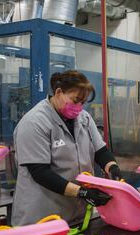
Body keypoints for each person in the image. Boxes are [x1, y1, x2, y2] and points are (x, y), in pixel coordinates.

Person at [12, 70, 122, 226]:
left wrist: (113, 168)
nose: (78, 107)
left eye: (82, 103)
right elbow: (40, 172)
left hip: (76, 215)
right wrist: (82, 192)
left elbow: (100, 151)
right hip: (42, 219)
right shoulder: (34, 122)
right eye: (75, 100)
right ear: (58, 92)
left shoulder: (84, 118)